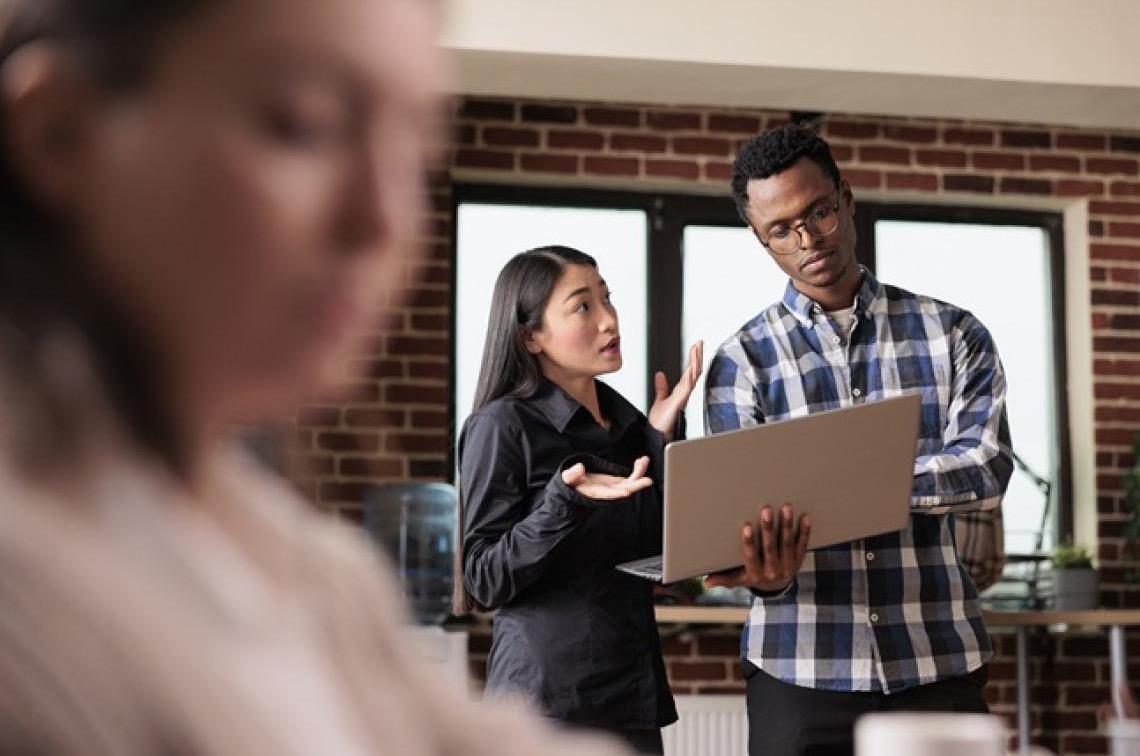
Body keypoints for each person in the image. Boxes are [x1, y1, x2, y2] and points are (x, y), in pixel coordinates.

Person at [0, 1, 631, 754]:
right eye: (305, 123)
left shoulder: (306, 564)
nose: (385, 216)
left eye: (413, 153)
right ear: (61, 133)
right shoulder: (29, 610)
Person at [703, 124, 1014, 756]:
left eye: (817, 212)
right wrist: (766, 572)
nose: (807, 240)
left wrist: (839, 486)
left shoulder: (953, 333)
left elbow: (983, 468)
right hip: (800, 668)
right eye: (781, 231)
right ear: (758, 239)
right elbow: (746, 519)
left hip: (937, 660)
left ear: (846, 197)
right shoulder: (741, 363)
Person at [456, 245, 703, 754]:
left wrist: (659, 438)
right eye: (583, 306)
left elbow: (662, 553)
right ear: (530, 337)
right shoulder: (501, 426)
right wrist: (562, 502)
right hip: (545, 706)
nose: (610, 320)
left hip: (632, 698)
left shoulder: (631, 425)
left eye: (607, 299)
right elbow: (482, 577)